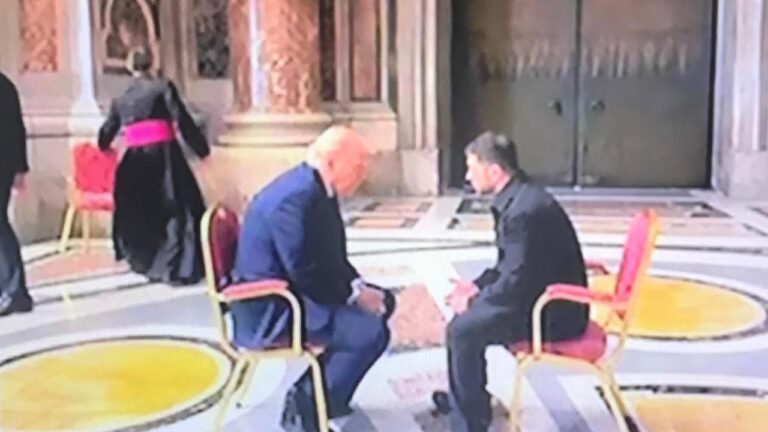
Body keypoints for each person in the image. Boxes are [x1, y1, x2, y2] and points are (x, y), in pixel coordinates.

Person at [231, 125, 395, 432]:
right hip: (275, 307)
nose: (363, 175)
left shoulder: (317, 188)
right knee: (370, 332)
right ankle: (302, 408)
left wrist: (358, 288)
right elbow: (303, 269)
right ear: (332, 162)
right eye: (358, 166)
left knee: (386, 302)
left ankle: (330, 398)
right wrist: (352, 296)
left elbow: (329, 255)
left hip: (299, 291)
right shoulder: (295, 198)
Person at [441, 131, 589, 432]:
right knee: (465, 324)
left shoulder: (524, 211)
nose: (467, 176)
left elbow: (515, 281)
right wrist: (477, 286)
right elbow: (509, 266)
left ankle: (469, 422)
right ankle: (470, 403)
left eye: (472, 168)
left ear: (495, 171)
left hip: (553, 313)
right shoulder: (520, 198)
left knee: (462, 331)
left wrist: (474, 300)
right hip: (540, 297)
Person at [98, 49, 210, 285]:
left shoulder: (122, 98)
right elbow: (182, 119)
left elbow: (107, 131)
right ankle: (175, 267)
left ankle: (148, 264)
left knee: (144, 212)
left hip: (135, 162)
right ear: (152, 63)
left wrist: (104, 146)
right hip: (166, 156)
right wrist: (201, 150)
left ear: (129, 66)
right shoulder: (162, 87)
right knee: (177, 209)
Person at [0, 71, 33, 316]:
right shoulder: (6, 85)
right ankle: (11, 288)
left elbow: (15, 129)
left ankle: (15, 291)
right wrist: (20, 168)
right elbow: (18, 130)